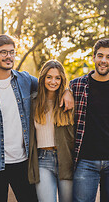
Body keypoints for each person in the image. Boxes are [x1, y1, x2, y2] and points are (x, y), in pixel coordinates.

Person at [0, 35, 73, 202]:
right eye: (3, 52)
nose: (8, 56)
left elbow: (51, 84)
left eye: (11, 52)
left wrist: (67, 90)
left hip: (23, 163)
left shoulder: (25, 80)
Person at [69, 38, 109, 202]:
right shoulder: (76, 86)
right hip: (85, 159)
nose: (104, 60)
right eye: (100, 56)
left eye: (108, 57)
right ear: (94, 57)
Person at [29, 60, 75, 202]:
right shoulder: (33, 103)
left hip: (66, 159)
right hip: (43, 160)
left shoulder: (68, 102)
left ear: (62, 80)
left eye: (57, 78)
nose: (53, 81)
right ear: (43, 78)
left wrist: (69, 90)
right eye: (49, 77)